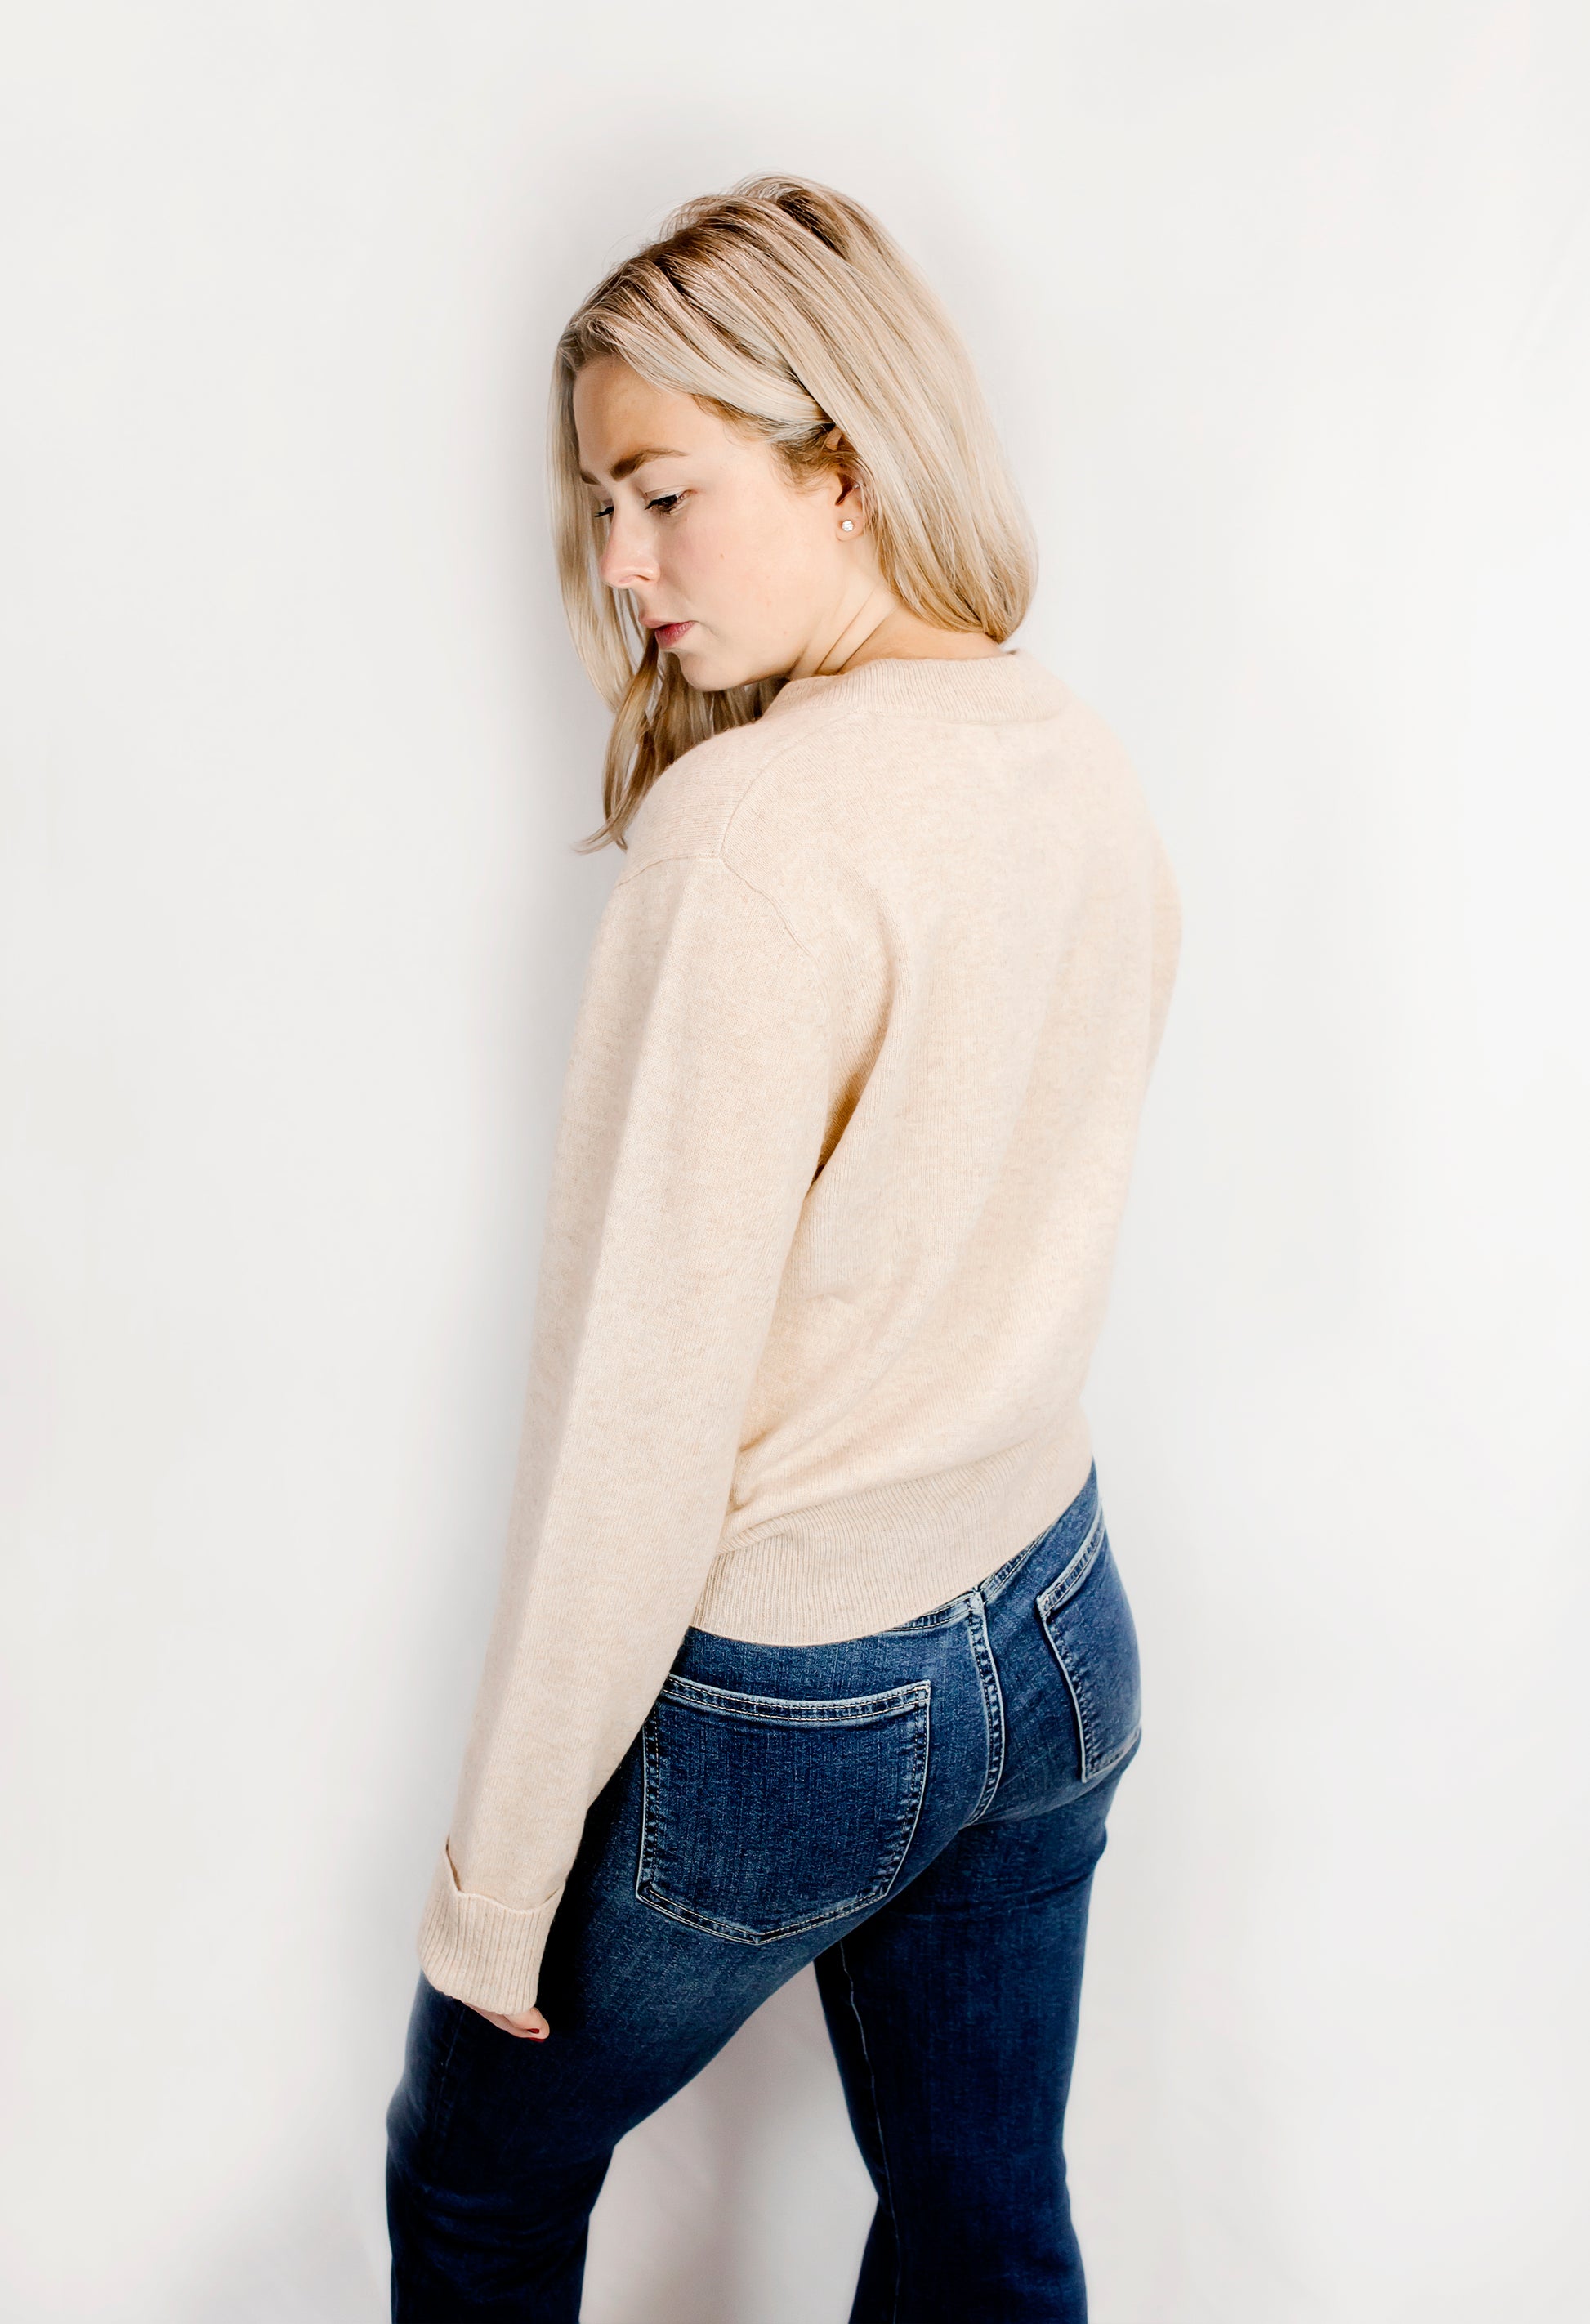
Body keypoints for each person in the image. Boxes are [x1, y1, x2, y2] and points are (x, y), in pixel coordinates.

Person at [385, 173, 1181, 2322]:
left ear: (842, 461)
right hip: (1055, 1615)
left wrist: (496, 1884)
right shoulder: (1066, 744)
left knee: (472, 2187)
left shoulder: (748, 836)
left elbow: (632, 1425)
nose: (620, 565)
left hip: (810, 1698)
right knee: (985, 2227)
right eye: (600, 507)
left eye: (663, 492)